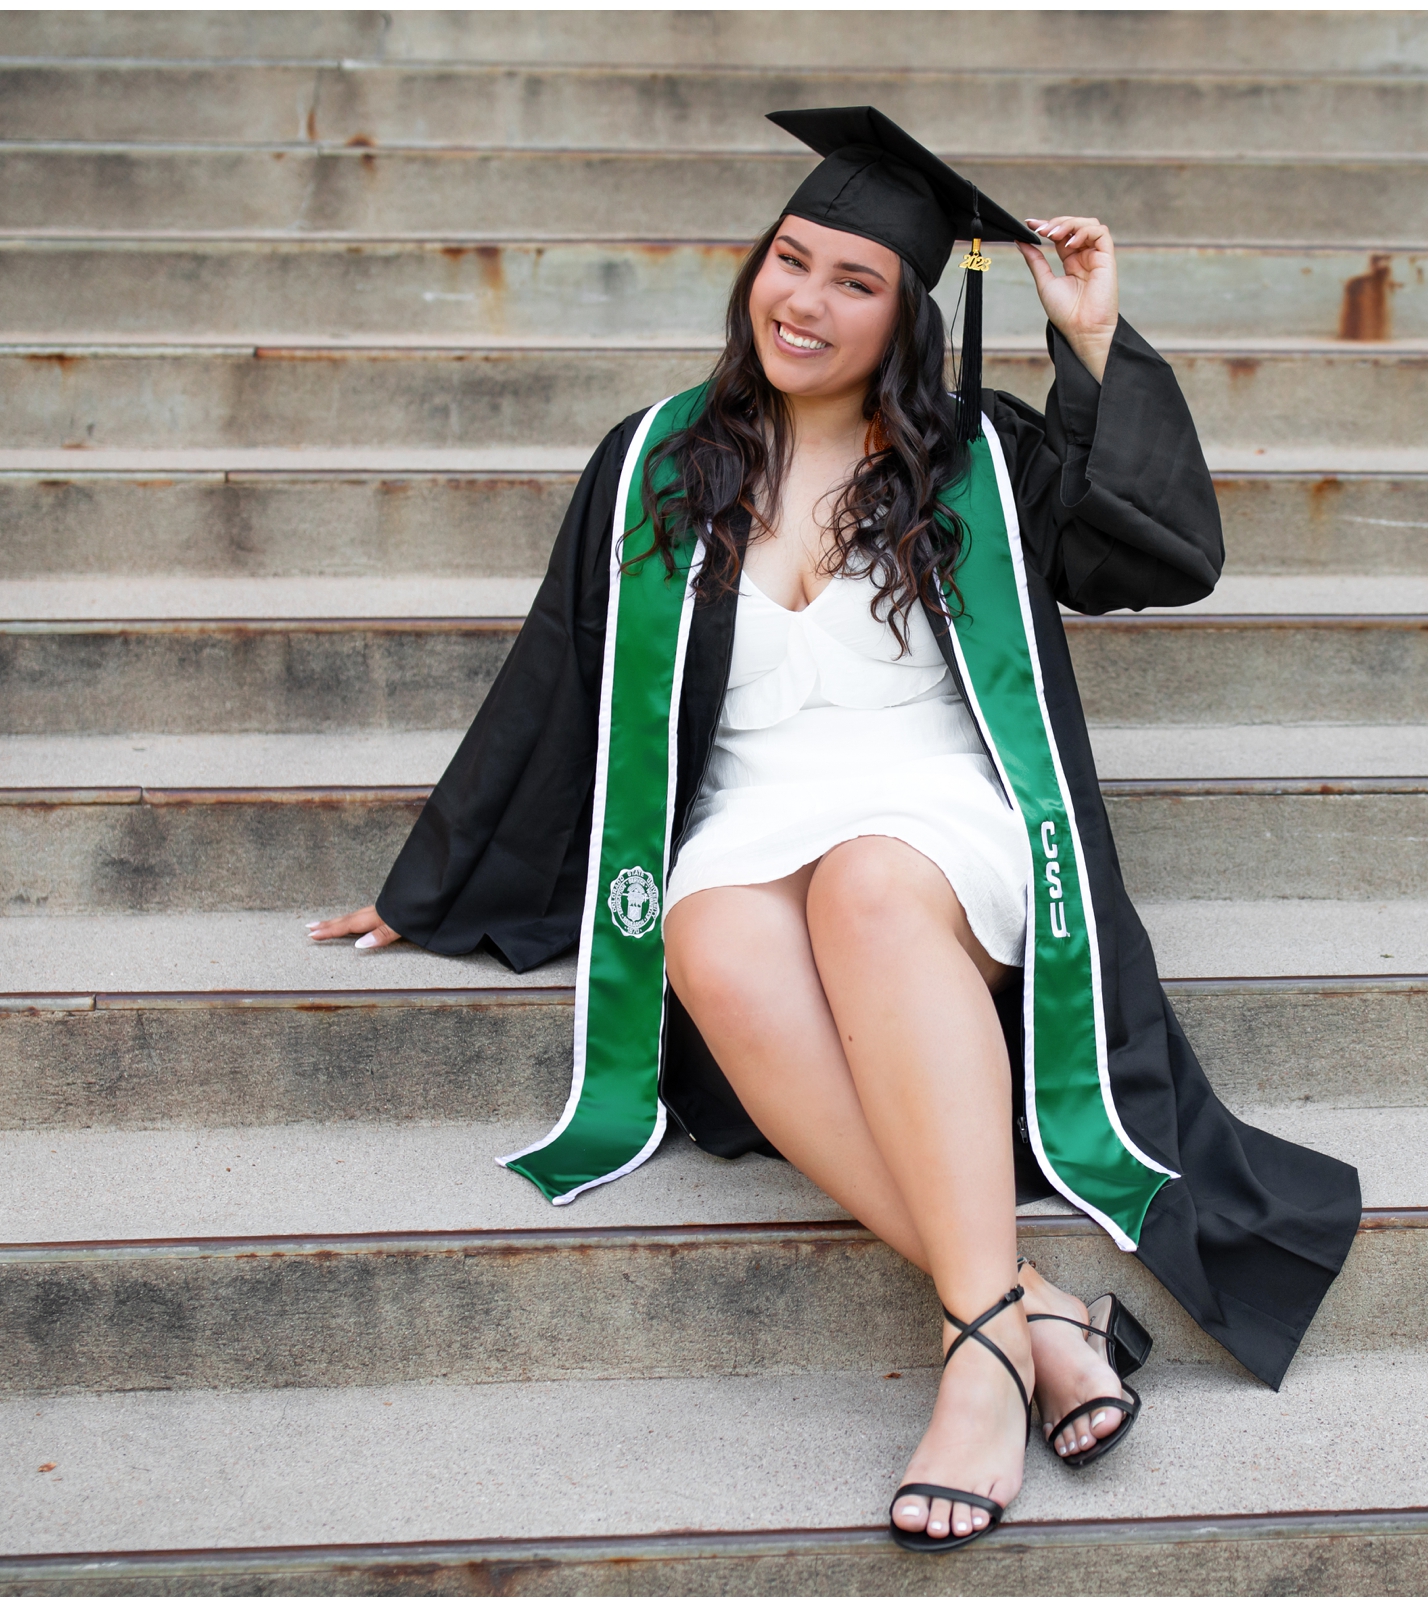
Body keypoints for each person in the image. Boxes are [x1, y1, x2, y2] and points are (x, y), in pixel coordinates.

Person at [313, 107, 1361, 1552]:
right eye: (790, 262)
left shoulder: (974, 457)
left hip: (940, 805)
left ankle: (976, 1366)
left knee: (871, 890)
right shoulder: (657, 462)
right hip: (751, 813)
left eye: (854, 282)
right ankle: (1033, 1311)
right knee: (708, 931)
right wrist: (430, 888)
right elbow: (560, 670)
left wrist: (1095, 341)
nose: (803, 301)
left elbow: (1159, 555)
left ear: (909, 316)